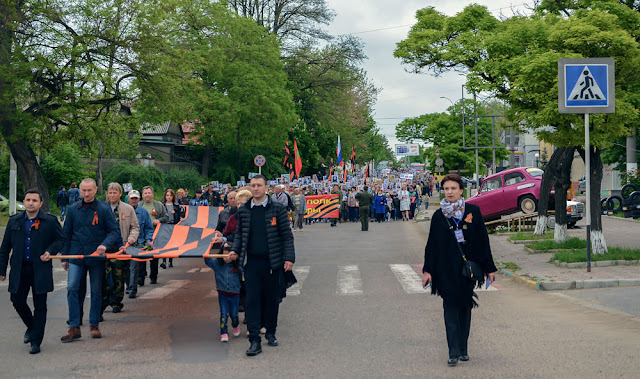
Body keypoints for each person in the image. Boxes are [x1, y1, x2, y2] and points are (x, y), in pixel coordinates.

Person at [421, 174, 497, 366]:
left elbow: (482, 241)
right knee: (450, 309)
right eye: (446, 189)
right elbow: (432, 245)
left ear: (461, 190)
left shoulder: (473, 211)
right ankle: (453, 351)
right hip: (445, 270)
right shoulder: (439, 216)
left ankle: (463, 349)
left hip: (467, 270)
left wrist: (490, 268)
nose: (450, 192)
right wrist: (427, 270)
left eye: (453, 188)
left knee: (465, 308)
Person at [229, 175, 295, 357]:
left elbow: (286, 235)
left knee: (272, 300)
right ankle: (254, 341)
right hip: (251, 263)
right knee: (252, 301)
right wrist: (235, 251)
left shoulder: (277, 209)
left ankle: (271, 332)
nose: (256, 188)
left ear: (266, 188)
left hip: (273, 263)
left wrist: (289, 258)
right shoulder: (244, 210)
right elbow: (240, 235)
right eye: (253, 185)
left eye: (259, 185)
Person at [0, 189, 65, 354]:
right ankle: (31, 326)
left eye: (34, 200)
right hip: (19, 268)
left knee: (40, 305)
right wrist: (2, 270)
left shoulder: (49, 221)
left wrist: (50, 251)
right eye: (28, 200)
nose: (31, 203)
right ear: (24, 201)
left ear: (40, 203)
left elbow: (60, 240)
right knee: (17, 300)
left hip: (40, 268)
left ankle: (36, 342)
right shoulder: (14, 221)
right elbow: (5, 247)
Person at [61, 178, 122, 342]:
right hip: (76, 255)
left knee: (96, 291)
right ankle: (74, 327)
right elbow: (66, 234)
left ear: (96, 190)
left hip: (96, 256)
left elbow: (114, 232)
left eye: (89, 190)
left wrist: (104, 245)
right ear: (79, 191)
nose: (86, 194)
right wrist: (65, 256)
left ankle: (94, 325)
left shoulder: (103, 208)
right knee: (72, 288)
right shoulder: (73, 208)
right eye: (83, 190)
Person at [101, 183, 139, 316]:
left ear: (120, 194)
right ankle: (103, 301)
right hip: (103, 249)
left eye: (115, 193)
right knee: (103, 277)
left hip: (120, 248)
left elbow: (135, 227)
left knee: (118, 277)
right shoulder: (100, 208)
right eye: (110, 193)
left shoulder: (128, 209)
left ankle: (116, 301)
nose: (112, 195)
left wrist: (131, 239)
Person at [126, 190, 154, 298]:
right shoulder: (123, 210)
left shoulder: (143, 212)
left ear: (138, 199)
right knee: (126, 267)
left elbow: (148, 228)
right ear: (128, 199)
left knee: (134, 266)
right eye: (132, 198)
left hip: (138, 244)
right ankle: (128, 286)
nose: (134, 200)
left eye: (135, 198)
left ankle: (133, 289)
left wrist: (148, 240)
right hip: (124, 244)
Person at [139, 186, 168, 284]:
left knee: (154, 257)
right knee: (141, 255)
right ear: (142, 195)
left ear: (152, 194)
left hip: (155, 234)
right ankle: (141, 277)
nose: (147, 195)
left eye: (149, 193)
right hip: (141, 235)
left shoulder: (159, 205)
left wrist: (158, 220)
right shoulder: (139, 205)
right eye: (145, 193)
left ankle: (153, 276)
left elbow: (166, 217)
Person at [160, 188, 184, 269]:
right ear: (165, 196)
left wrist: (180, 219)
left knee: (171, 244)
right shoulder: (162, 205)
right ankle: (164, 261)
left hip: (173, 225)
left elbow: (180, 214)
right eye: (167, 195)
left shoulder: (176, 205)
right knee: (164, 243)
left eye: (170, 195)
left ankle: (170, 260)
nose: (169, 197)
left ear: (173, 196)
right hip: (165, 225)